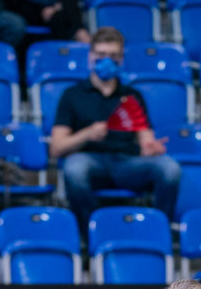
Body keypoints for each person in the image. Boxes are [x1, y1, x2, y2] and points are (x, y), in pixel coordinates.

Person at [50, 27, 182, 232]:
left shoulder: (132, 95)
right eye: (101, 55)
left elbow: (145, 137)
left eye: (113, 56)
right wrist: (86, 134)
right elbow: (56, 148)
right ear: (90, 57)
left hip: (128, 162)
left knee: (170, 168)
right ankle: (91, 233)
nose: (107, 60)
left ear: (121, 59)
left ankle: (158, 231)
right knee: (74, 168)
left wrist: (150, 147)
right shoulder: (72, 95)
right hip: (90, 159)